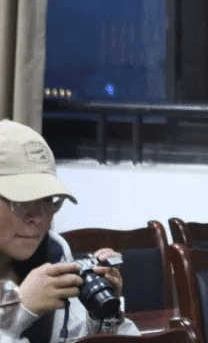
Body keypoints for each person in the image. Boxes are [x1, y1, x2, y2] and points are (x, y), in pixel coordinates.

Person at [0, 119, 138, 342]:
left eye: (47, 200)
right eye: (20, 201)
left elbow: (72, 334)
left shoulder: (53, 251)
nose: (38, 217)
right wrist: (20, 313)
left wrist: (104, 313)